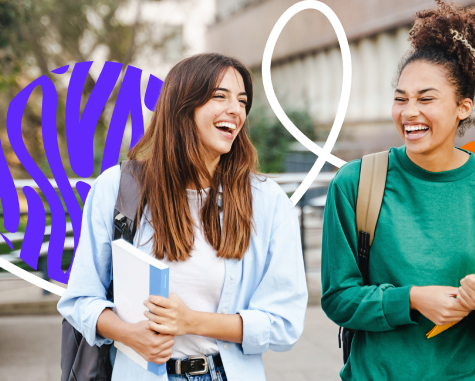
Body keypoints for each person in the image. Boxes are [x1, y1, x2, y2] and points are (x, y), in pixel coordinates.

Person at [58, 53, 308, 381]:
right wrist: (127, 333)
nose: (236, 109)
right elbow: (80, 300)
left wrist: (192, 321)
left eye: (243, 100)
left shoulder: (267, 201)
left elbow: (285, 322)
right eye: (220, 96)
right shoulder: (118, 189)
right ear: (182, 106)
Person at [321, 0, 475, 380]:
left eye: (426, 98)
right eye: (400, 99)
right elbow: (337, 299)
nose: (409, 112)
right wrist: (412, 299)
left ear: (463, 107)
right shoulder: (355, 183)